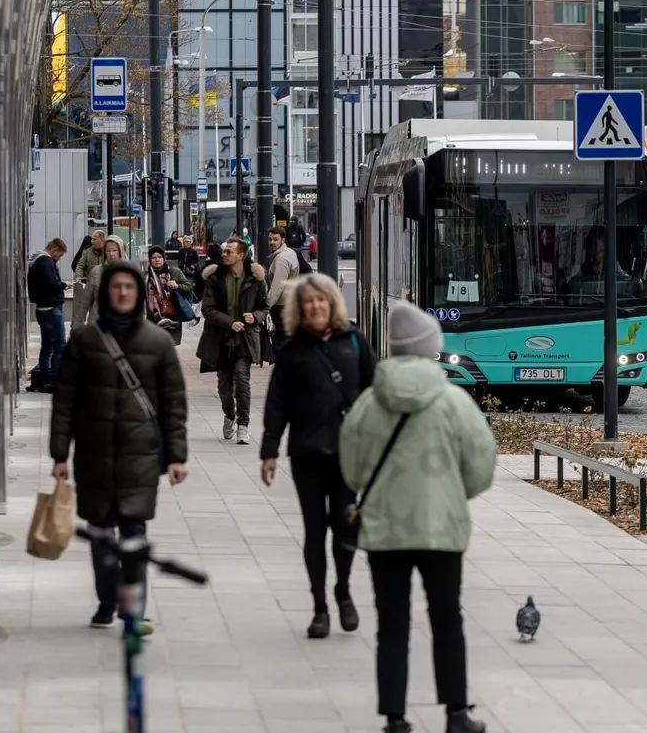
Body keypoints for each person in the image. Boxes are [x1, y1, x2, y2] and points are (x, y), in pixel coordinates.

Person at [339, 302, 496, 733]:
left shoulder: (370, 403)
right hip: (440, 527)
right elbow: (482, 464)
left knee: (392, 623)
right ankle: (456, 714)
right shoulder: (454, 402)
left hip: (384, 529)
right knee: (447, 617)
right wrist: (451, 493)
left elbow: (351, 468)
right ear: (431, 347)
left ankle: (394, 716)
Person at [49, 259, 189, 630]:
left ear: (139, 292)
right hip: (94, 454)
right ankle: (107, 598)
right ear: (106, 292)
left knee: (133, 534)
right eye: (116, 287)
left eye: (130, 286)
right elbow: (65, 400)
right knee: (99, 534)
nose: (123, 292)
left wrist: (176, 456)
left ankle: (132, 609)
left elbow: (174, 405)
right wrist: (59, 453)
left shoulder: (157, 342)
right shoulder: (84, 341)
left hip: (139, 455)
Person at [259, 272, 375, 639]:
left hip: (348, 454)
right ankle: (319, 607)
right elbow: (278, 403)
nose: (315, 306)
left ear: (332, 303)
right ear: (300, 309)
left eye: (321, 300)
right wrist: (269, 451)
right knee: (314, 530)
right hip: (307, 453)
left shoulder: (355, 342)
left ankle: (342, 590)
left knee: (345, 525)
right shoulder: (293, 351)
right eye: (308, 302)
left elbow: (377, 394)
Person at [197, 238, 268, 445]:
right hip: (220, 340)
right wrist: (230, 323)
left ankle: (243, 425)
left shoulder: (256, 280)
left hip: (245, 341)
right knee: (225, 388)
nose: (225, 254)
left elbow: (265, 307)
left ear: (241, 256)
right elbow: (207, 309)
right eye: (225, 251)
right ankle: (229, 415)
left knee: (242, 380)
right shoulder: (214, 278)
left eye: (229, 251)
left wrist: (254, 317)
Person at [27, 238, 68, 392]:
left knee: (47, 347)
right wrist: (64, 285)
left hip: (41, 309)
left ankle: (45, 380)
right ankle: (54, 381)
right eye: (60, 255)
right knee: (59, 345)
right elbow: (53, 284)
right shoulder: (46, 262)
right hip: (52, 309)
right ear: (55, 250)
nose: (59, 258)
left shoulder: (36, 261)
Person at [143, 247, 193, 342]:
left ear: (164, 258)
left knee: (168, 347)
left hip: (171, 316)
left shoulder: (174, 272)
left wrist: (177, 285)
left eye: (160, 257)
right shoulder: (145, 276)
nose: (157, 260)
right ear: (150, 260)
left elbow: (188, 287)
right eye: (154, 258)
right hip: (152, 317)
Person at [266, 226, 300, 352]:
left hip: (282, 306)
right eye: (270, 239)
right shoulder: (290, 253)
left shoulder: (281, 259)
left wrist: (267, 305)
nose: (272, 242)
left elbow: (277, 285)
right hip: (290, 304)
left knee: (281, 342)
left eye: (275, 239)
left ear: (283, 240)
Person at [71, 229, 106, 328]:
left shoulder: (107, 252)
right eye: (92, 239)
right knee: (87, 308)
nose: (92, 241)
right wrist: (78, 277)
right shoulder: (87, 252)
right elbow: (80, 265)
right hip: (90, 285)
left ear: (102, 240)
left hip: (104, 286)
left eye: (95, 239)